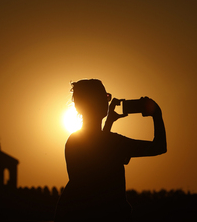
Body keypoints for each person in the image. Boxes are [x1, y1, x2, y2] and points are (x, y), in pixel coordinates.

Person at [55, 79, 166, 222]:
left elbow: (97, 154)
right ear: (98, 102)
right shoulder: (114, 143)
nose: (108, 101)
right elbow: (159, 147)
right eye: (105, 97)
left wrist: (109, 122)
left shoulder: (73, 141)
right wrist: (156, 114)